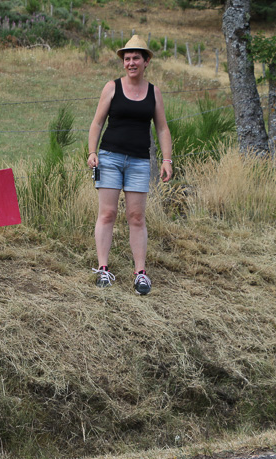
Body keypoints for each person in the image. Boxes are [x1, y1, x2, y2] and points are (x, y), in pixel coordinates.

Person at [86, 35, 173, 295]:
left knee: (136, 217)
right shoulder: (111, 87)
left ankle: (140, 273)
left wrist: (167, 160)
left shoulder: (154, 91)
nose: (131, 63)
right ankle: (103, 268)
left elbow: (162, 127)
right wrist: (92, 151)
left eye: (136, 58)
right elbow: (97, 123)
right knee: (108, 214)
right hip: (110, 158)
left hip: (139, 161)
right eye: (127, 59)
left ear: (146, 61)